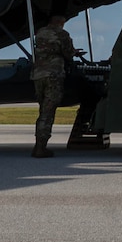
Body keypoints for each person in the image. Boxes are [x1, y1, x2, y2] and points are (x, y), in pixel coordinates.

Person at [29, 11, 75, 158]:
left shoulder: (40, 33)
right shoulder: (62, 34)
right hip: (53, 75)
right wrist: (74, 53)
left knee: (43, 110)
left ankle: (38, 145)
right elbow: (68, 53)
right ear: (60, 22)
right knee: (48, 112)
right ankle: (40, 148)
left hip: (38, 75)